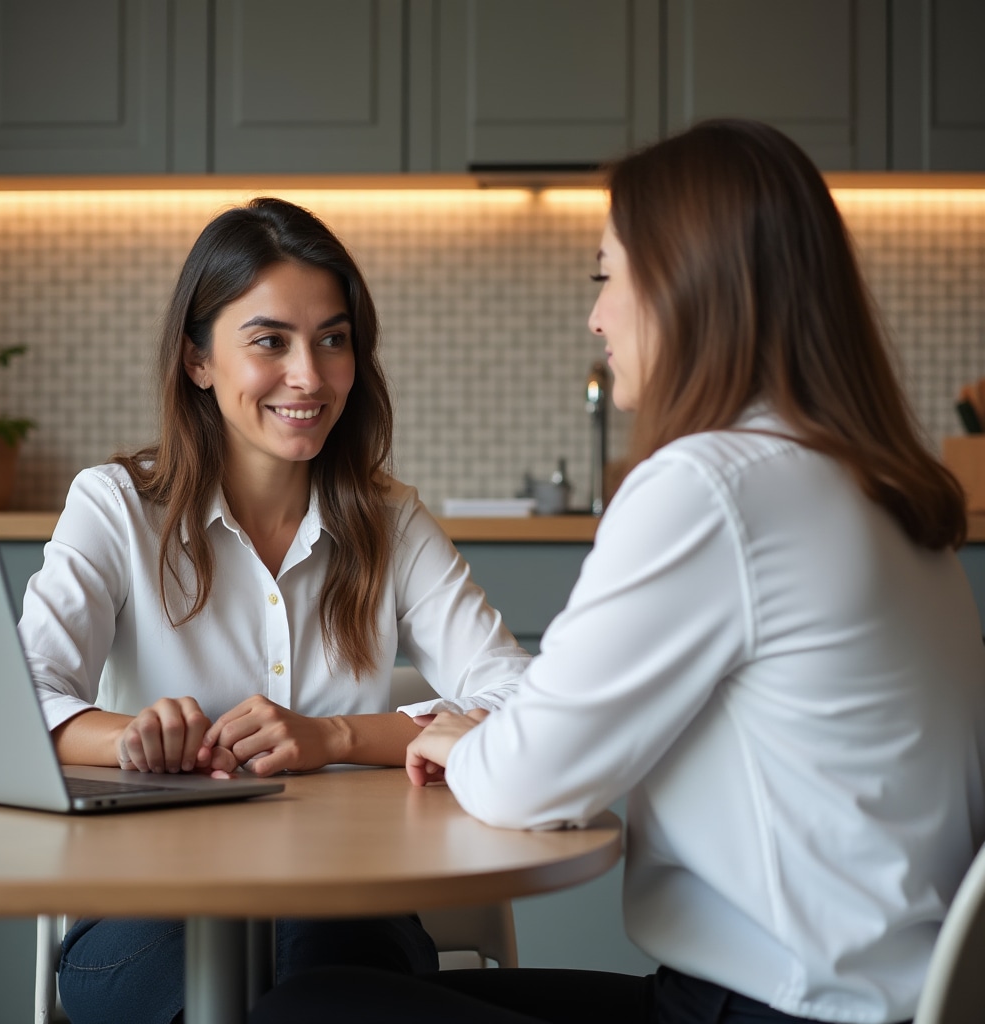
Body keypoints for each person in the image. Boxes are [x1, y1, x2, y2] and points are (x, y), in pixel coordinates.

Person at [248, 119, 985, 1024]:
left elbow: (531, 781)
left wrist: (458, 743)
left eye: (608, 276)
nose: (596, 315)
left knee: (306, 1010)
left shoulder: (710, 487)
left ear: (687, 285)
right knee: (360, 993)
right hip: (889, 995)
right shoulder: (882, 489)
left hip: (784, 1006)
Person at [17, 197, 532, 1024]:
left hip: (350, 901)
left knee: (319, 971)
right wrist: (141, 737)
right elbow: (19, 703)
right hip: (145, 914)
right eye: (270, 342)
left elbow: (518, 701)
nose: (310, 375)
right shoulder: (114, 507)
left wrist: (332, 736)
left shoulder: (390, 520)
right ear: (198, 359)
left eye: (333, 340)